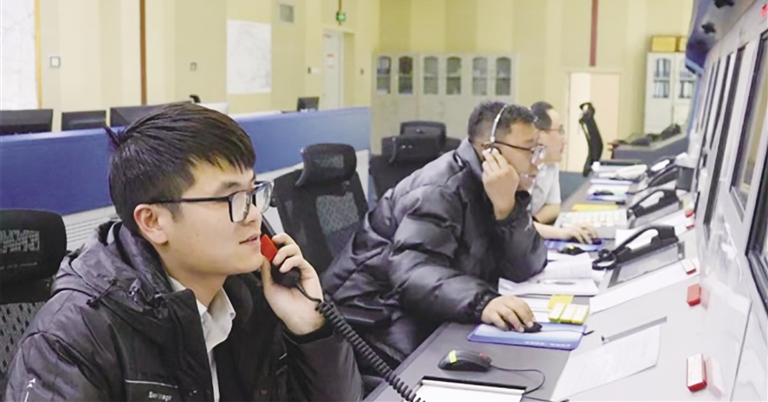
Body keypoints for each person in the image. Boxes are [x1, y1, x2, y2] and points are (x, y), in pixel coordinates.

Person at [4, 104, 363, 402]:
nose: (254, 214)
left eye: (253, 192)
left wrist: (310, 331)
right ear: (153, 222)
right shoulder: (71, 339)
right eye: (232, 198)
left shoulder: (253, 296)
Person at [322, 101, 547, 368]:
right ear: (490, 151)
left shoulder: (498, 191)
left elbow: (526, 267)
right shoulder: (440, 190)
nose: (537, 163)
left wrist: (507, 211)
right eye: (530, 150)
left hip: (421, 307)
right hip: (371, 317)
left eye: (539, 150)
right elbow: (412, 273)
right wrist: (482, 302)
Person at [530, 101, 598, 244]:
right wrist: (561, 232)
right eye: (560, 131)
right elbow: (511, 228)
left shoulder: (551, 163)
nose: (564, 140)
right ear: (540, 135)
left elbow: (554, 207)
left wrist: (533, 223)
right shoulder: (522, 166)